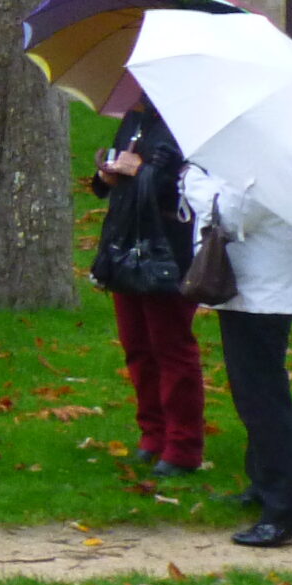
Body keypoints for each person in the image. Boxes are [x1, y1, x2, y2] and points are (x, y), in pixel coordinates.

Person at [180, 162, 292, 549]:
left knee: (263, 400)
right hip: (256, 290)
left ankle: (285, 507)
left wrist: (192, 181)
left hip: (262, 295)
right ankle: (264, 485)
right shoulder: (272, 159)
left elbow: (231, 214)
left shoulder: (269, 163)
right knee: (255, 395)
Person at [91, 98, 203, 475]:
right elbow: (115, 177)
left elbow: (188, 187)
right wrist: (107, 175)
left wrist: (139, 171)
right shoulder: (135, 117)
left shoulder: (189, 123)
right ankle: (152, 434)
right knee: (136, 345)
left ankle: (183, 445)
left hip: (167, 247)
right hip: (127, 242)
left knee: (171, 346)